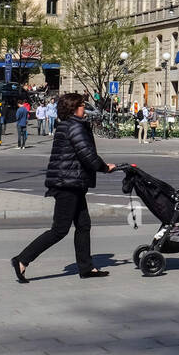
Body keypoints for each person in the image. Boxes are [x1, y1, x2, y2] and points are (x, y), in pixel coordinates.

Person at [11, 92, 116, 282]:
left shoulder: (66, 125)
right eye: (82, 105)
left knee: (83, 225)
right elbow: (86, 153)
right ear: (74, 108)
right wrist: (104, 167)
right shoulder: (75, 127)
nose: (85, 108)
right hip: (68, 184)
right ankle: (22, 259)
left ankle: (86, 267)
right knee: (60, 229)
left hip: (72, 182)